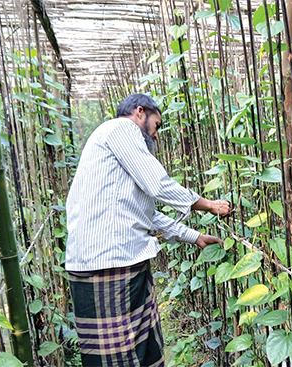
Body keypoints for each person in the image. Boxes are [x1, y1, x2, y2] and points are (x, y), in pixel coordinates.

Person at [65, 93, 230, 367]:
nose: (154, 137)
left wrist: (195, 237)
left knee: (134, 351)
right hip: (109, 263)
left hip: (110, 261)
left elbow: (145, 215)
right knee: (120, 357)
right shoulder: (121, 129)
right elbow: (157, 183)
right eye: (156, 126)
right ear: (140, 112)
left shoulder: (110, 147)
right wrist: (209, 204)